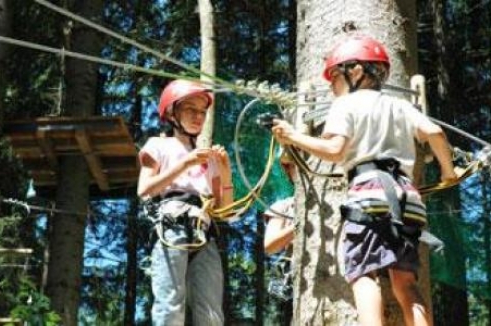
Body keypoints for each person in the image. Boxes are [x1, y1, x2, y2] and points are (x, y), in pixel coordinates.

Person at [271, 35, 457, 326]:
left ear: (356, 71)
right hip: (408, 199)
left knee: (363, 274)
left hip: (368, 195)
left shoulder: (345, 105)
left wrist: (293, 136)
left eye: (334, 75)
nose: (331, 84)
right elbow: (435, 133)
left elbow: (334, 150)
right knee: (406, 283)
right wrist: (448, 172)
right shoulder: (401, 106)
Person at [137, 79, 233, 326]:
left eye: (202, 111)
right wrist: (185, 164)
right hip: (172, 227)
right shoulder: (158, 145)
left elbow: (224, 210)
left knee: (211, 313)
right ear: (171, 112)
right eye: (191, 109)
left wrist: (225, 173)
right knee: (170, 305)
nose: (198, 116)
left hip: (205, 231)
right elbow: (145, 189)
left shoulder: (207, 159)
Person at [263, 153, 296, 325]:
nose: (297, 170)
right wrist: (297, 227)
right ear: (288, 170)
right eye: (293, 166)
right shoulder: (283, 206)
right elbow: (270, 245)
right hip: (293, 278)